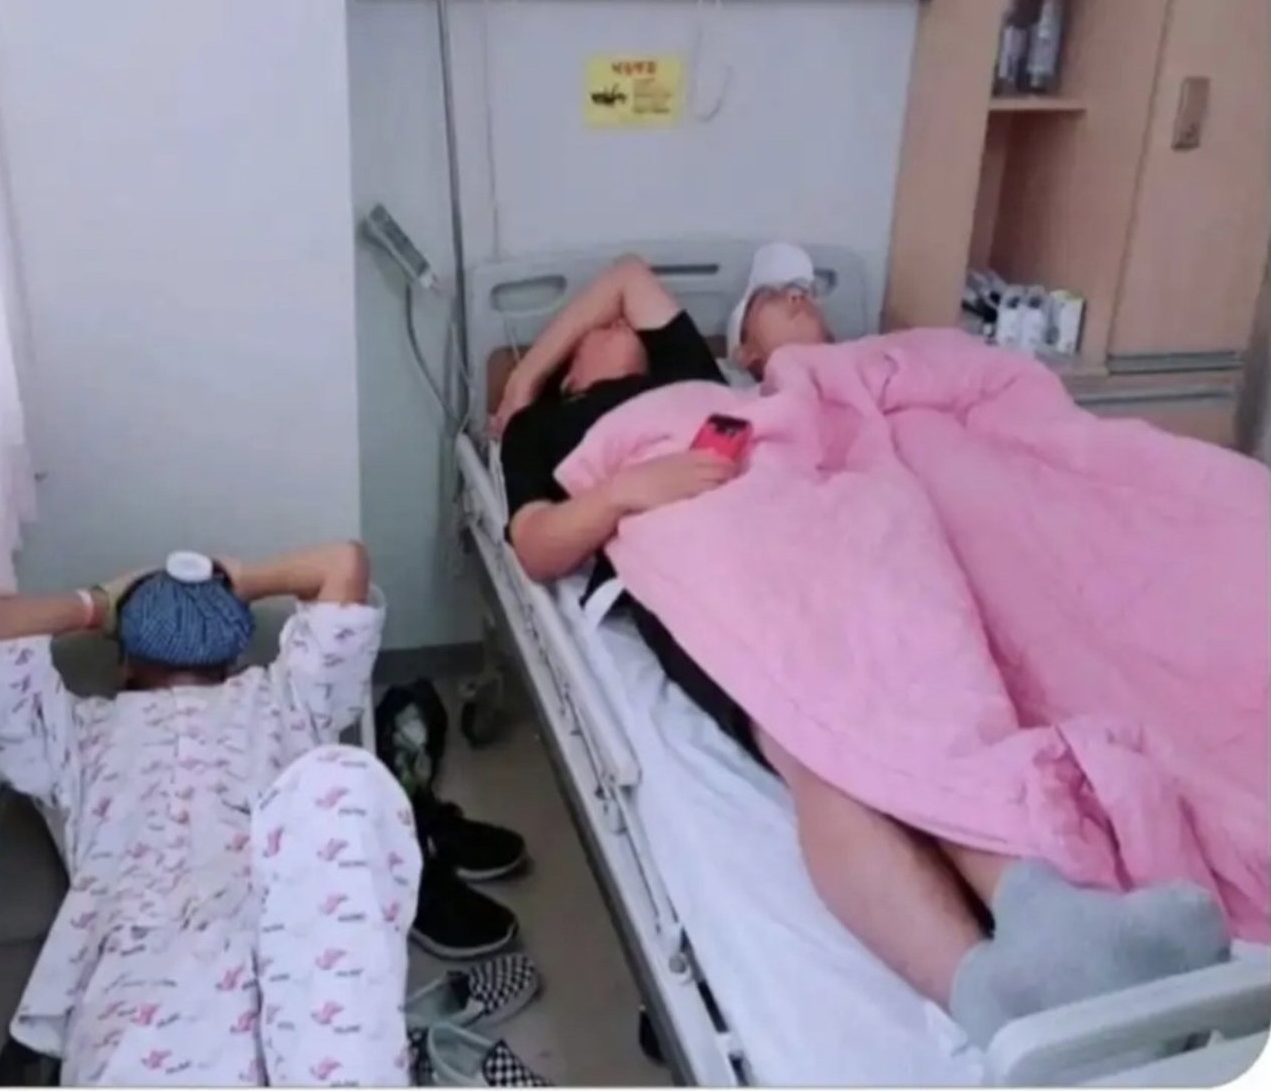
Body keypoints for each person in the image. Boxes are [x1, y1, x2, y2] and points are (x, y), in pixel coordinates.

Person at [492, 246, 1229, 1048]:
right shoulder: (543, 431)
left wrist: (527, 370)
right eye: (596, 331)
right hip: (701, 550)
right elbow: (534, 545)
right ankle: (979, 987)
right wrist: (606, 476)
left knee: (925, 701)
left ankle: (1048, 914)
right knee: (820, 744)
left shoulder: (687, 371)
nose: (615, 324)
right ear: (572, 377)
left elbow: (630, 275)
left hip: (812, 512)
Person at [0, 542, 422, 1086]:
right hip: (151, 961)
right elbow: (343, 564)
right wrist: (246, 580)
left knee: (339, 779)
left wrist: (97, 606)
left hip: (261, 939)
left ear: (123, 661)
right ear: (232, 659)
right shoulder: (283, 702)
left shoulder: (79, 734)